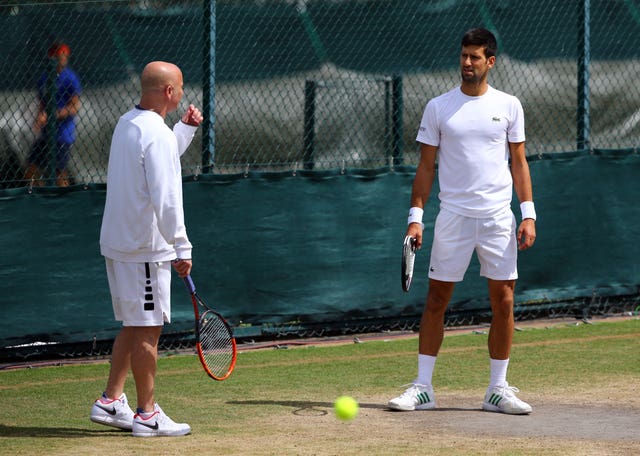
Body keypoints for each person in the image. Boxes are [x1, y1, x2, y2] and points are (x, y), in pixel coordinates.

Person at [388, 28, 537, 415]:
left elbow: (518, 163)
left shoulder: (509, 105)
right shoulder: (439, 107)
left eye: (475, 57)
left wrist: (528, 213)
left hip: (497, 219)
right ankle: (423, 388)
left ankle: (497, 390)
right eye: (463, 56)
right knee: (437, 299)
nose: (467, 63)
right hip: (453, 217)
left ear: (490, 62)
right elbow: (425, 167)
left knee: (503, 300)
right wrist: (415, 219)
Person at [90, 61, 203, 436]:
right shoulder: (153, 133)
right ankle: (147, 414)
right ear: (169, 92)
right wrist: (181, 246)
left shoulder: (129, 123)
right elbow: (166, 196)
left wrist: (184, 130)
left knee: (134, 324)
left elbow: (160, 160)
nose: (184, 94)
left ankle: (110, 400)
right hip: (143, 248)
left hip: (120, 244)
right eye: (181, 87)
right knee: (147, 331)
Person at [24, 42, 81, 187]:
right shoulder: (44, 77)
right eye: (59, 56)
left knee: (59, 173)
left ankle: (65, 203)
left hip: (62, 134)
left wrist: (51, 115)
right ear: (52, 57)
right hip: (46, 135)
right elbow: (42, 103)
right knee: (31, 167)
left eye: (65, 56)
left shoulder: (70, 78)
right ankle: (41, 197)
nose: (63, 59)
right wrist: (39, 118)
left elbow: (74, 107)